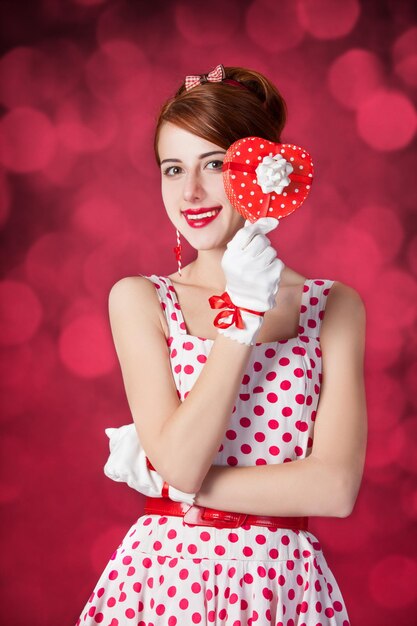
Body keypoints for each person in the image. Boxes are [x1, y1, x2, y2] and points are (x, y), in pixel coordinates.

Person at [76, 64, 367, 625]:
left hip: (283, 588)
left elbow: (334, 490)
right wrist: (243, 320)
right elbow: (181, 461)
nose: (191, 192)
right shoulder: (140, 299)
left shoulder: (334, 306)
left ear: (265, 168)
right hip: (165, 582)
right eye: (172, 168)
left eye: (214, 163)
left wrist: (180, 486)